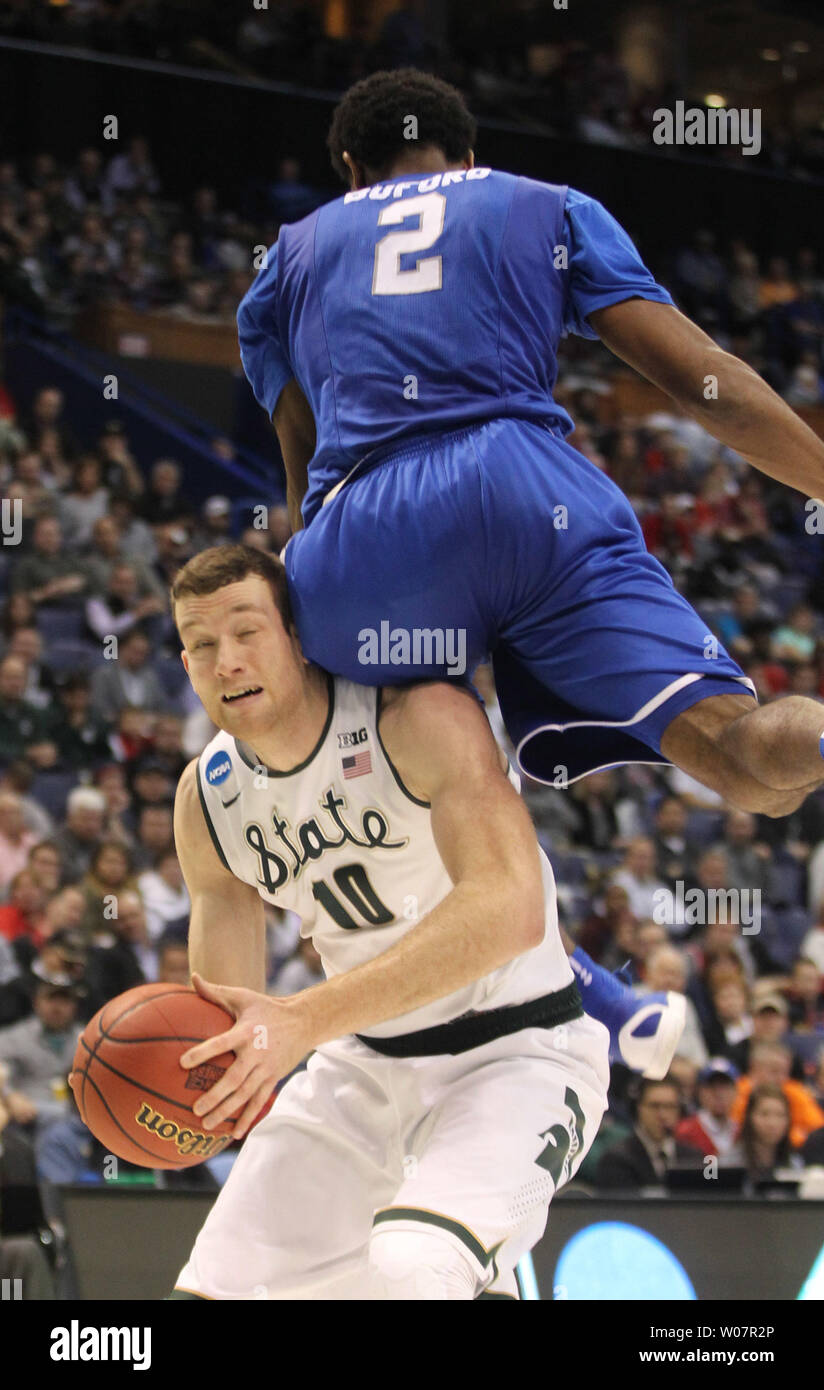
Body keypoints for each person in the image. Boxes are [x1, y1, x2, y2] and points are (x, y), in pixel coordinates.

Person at [238, 68, 824, 818]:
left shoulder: (286, 260)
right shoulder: (547, 206)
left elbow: (303, 464)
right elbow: (705, 383)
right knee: (742, 763)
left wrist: (325, 617)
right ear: (470, 154)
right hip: (533, 496)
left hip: (365, 536)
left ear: (350, 171)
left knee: (385, 785)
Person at [114, 544, 682, 1302]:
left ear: (297, 636)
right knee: (209, 1290)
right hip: (361, 1066)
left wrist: (299, 1020)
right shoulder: (207, 801)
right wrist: (184, 1098)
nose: (227, 662)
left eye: (246, 632)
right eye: (203, 644)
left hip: (519, 1053)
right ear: (185, 665)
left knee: (413, 1266)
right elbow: (234, 1020)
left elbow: (509, 911)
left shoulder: (417, 718)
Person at [595, 1077, 703, 1188]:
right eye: (654, 1106)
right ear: (637, 1108)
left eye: (670, 1107)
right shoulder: (616, 1160)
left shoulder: (694, 1158)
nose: (662, 1115)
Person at [675, 1057, 740, 1160]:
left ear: (735, 1092)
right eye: (712, 1087)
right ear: (701, 1092)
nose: (719, 1094)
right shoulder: (685, 1132)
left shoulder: (742, 1133)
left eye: (725, 1087)